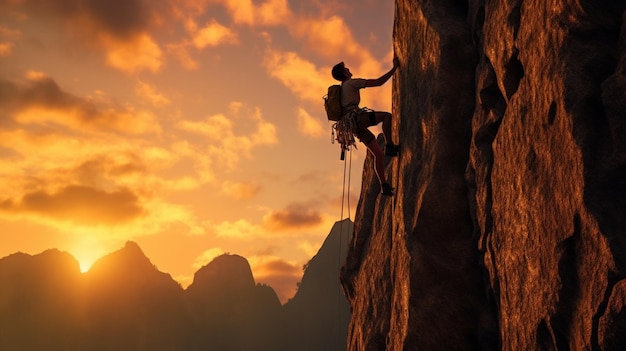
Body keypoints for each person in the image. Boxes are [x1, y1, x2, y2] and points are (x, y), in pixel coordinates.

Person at [331, 58, 400, 196]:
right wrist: (394, 69)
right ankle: (390, 146)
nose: (349, 69)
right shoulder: (352, 83)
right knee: (386, 117)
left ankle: (384, 186)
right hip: (357, 119)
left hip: (353, 126)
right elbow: (379, 82)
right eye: (346, 69)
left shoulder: (343, 88)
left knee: (378, 155)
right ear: (344, 73)